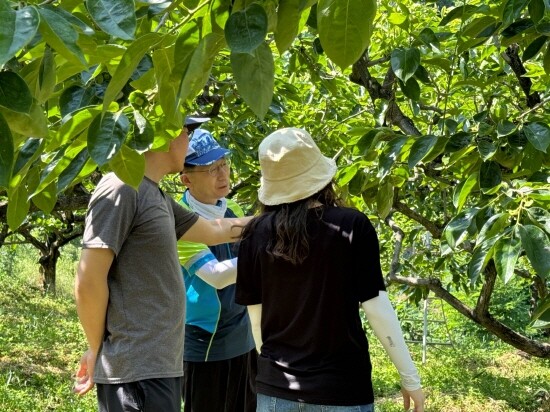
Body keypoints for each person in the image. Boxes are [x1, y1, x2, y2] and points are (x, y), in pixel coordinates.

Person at [235, 127, 425, 412]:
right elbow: (376, 307)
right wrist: (410, 376)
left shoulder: (255, 234)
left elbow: (255, 319)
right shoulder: (351, 226)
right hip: (340, 389)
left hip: (275, 391)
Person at [73, 116, 251, 412]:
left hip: (162, 364)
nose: (189, 141)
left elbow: (215, 230)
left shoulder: (155, 195)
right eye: (187, 131)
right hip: (135, 367)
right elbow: (88, 281)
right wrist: (96, 348)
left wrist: (277, 219)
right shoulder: (119, 188)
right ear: (163, 134)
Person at [177, 129, 256, 412]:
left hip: (243, 336)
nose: (223, 175)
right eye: (211, 170)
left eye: (224, 164)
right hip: (205, 343)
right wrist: (269, 256)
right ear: (186, 179)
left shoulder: (232, 208)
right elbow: (217, 275)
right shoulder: (180, 219)